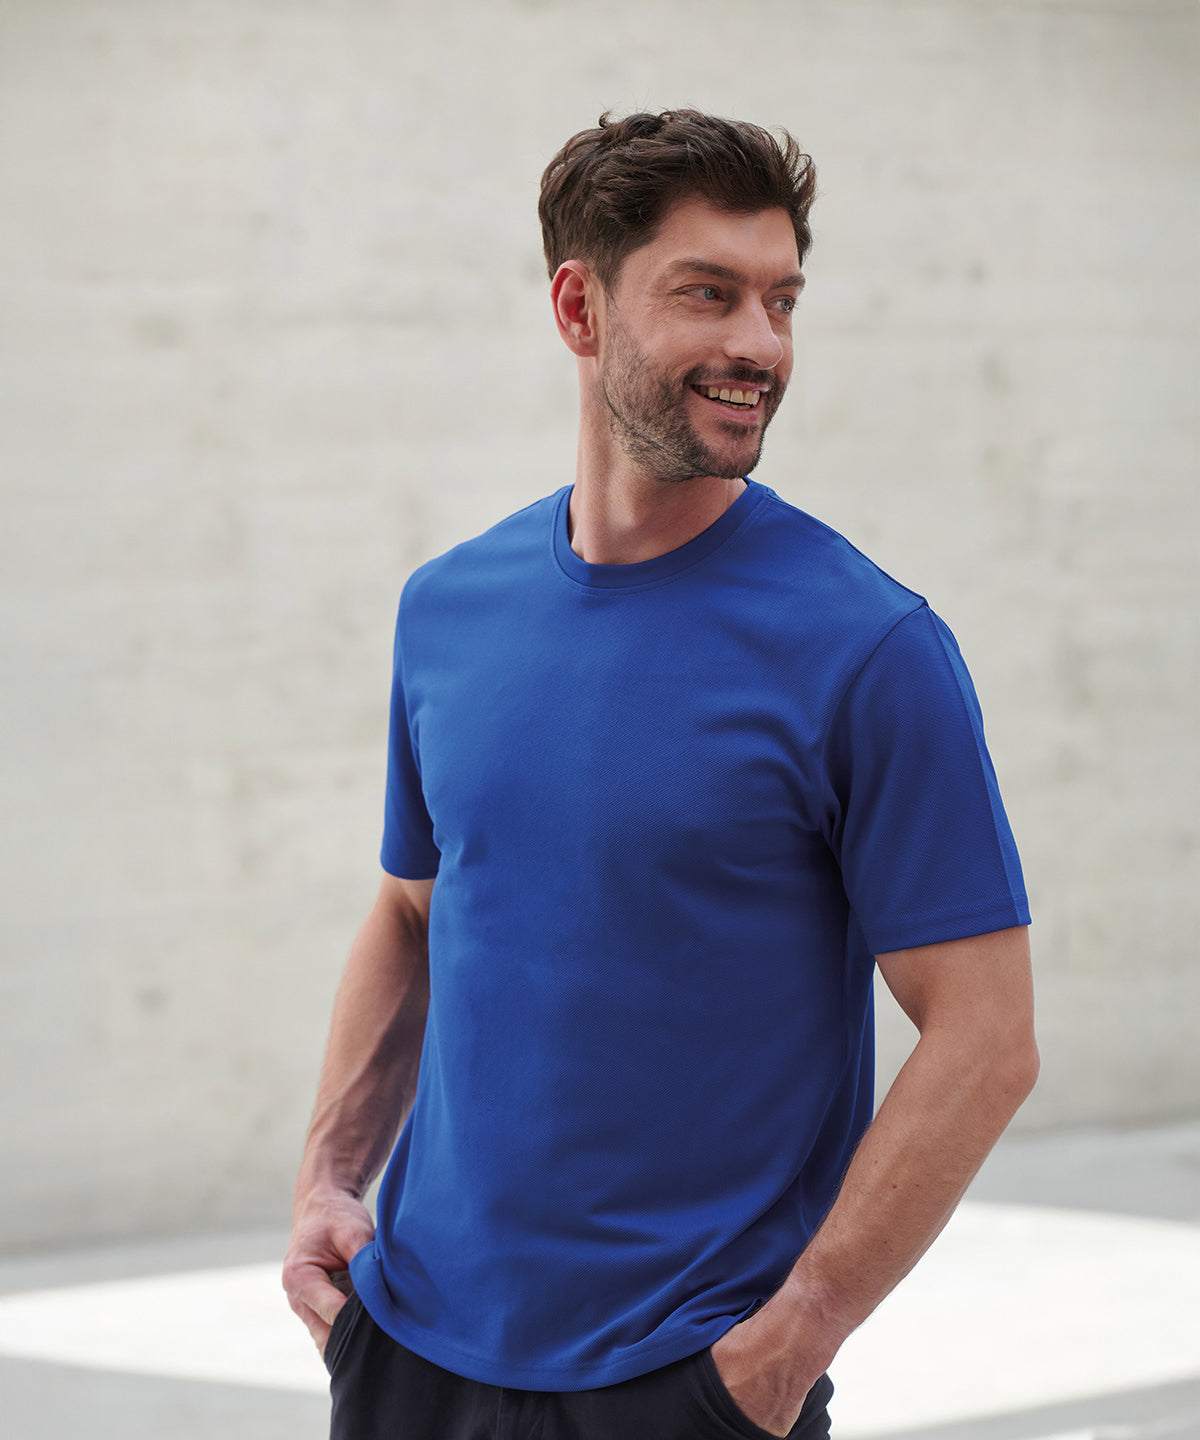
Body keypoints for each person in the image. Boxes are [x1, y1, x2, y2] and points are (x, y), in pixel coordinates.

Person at [283, 109, 1039, 1440]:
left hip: (686, 1382)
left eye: (781, 300)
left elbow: (988, 1039)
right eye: (709, 294)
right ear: (580, 308)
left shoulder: (868, 649)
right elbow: (411, 910)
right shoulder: (448, 607)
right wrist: (327, 1181)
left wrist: (784, 1349)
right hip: (408, 1356)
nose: (762, 345)